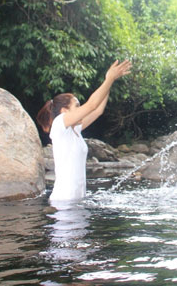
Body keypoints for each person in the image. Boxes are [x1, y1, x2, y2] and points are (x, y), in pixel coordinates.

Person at [36, 60, 132, 202]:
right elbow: (92, 105)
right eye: (77, 105)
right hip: (64, 201)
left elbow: (98, 110)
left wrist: (110, 82)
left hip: (77, 200)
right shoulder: (59, 124)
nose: (81, 109)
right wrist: (108, 79)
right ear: (64, 111)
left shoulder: (75, 130)